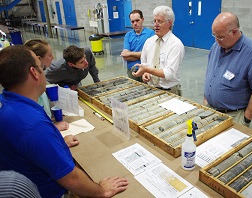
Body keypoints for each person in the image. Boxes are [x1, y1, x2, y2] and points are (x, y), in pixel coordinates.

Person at [0, 45, 129, 198]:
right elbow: (71, 179)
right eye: (41, 66)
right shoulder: (32, 125)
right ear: (34, 73)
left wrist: (56, 144)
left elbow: (27, 147)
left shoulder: (8, 104)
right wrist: (102, 190)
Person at [203, 12, 252, 127]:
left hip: (233, 116)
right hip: (209, 110)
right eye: (214, 35)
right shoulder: (216, 47)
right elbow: (210, 76)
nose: (216, 40)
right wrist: (206, 101)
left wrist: (245, 119)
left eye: (220, 37)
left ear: (234, 32)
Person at [132, 5, 185, 95]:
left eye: (160, 21)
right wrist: (146, 73)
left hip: (169, 91)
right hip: (151, 88)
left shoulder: (175, 44)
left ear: (169, 23)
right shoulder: (149, 42)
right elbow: (144, 61)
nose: (156, 24)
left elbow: (169, 74)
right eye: (154, 21)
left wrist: (147, 69)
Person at [25, 39, 69, 132]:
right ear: (38, 59)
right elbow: (33, 125)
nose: (52, 57)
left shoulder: (38, 80)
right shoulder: (32, 85)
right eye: (49, 55)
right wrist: (54, 129)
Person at [121, 9, 155, 82]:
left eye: (137, 20)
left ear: (142, 19)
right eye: (132, 21)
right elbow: (125, 56)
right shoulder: (128, 35)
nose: (135, 23)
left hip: (146, 70)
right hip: (132, 70)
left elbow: (151, 54)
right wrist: (141, 55)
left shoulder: (151, 34)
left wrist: (130, 54)